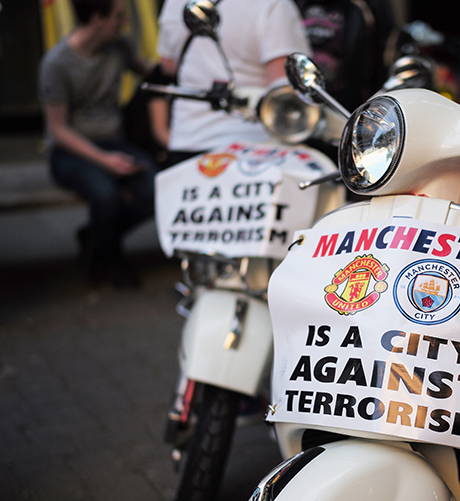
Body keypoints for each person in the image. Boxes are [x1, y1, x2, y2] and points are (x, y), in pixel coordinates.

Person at [38, 0, 157, 288]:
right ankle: (111, 260)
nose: (125, 22)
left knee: (155, 190)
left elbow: (150, 73)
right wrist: (105, 160)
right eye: (118, 16)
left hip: (114, 142)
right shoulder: (57, 64)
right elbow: (58, 130)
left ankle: (97, 238)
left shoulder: (119, 47)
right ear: (96, 19)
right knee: (106, 196)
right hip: (70, 150)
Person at [156, 0, 311, 165]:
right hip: (255, 147)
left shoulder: (174, 3)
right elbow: (286, 88)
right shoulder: (273, 4)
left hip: (188, 141)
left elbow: (168, 64)